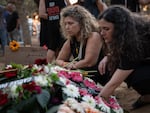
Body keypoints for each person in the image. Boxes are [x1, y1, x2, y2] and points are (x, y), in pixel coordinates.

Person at [97, 5, 150, 109]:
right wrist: (108, 56)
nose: (102, 33)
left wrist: (94, 104)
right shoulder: (131, 31)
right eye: (101, 28)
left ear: (119, 29)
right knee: (116, 62)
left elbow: (114, 83)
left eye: (106, 29)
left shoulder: (134, 43)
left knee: (137, 76)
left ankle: (147, 97)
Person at [56, 5, 110, 85]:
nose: (67, 27)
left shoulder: (93, 36)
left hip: (97, 78)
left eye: (70, 23)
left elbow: (89, 62)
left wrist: (72, 66)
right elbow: (58, 60)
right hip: (81, 75)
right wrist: (66, 64)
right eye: (65, 24)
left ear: (82, 23)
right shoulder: (71, 40)